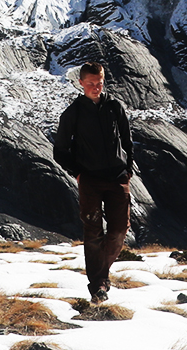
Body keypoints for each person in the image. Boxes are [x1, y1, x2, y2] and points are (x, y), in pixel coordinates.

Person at [53, 61, 134, 304]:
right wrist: (78, 173)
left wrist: (128, 169)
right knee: (93, 233)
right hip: (89, 180)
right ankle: (98, 285)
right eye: (91, 84)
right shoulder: (72, 113)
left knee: (120, 229)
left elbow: (127, 140)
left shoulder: (114, 107)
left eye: (99, 83)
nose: (96, 88)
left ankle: (102, 273)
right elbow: (60, 150)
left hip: (118, 178)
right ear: (81, 84)